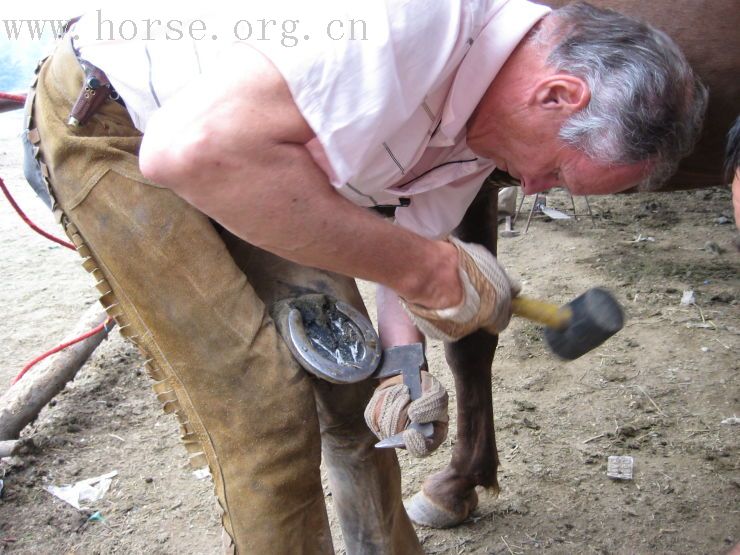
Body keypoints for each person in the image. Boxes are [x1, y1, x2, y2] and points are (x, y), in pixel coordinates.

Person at [24, 0, 706, 552]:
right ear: (558, 93)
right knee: (267, 421)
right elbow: (192, 150)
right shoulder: (407, 21)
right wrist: (427, 270)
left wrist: (403, 365)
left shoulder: (485, 121)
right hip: (120, 126)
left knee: (352, 382)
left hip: (256, 149)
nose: (529, 185)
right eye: (554, 170)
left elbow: (412, 231)